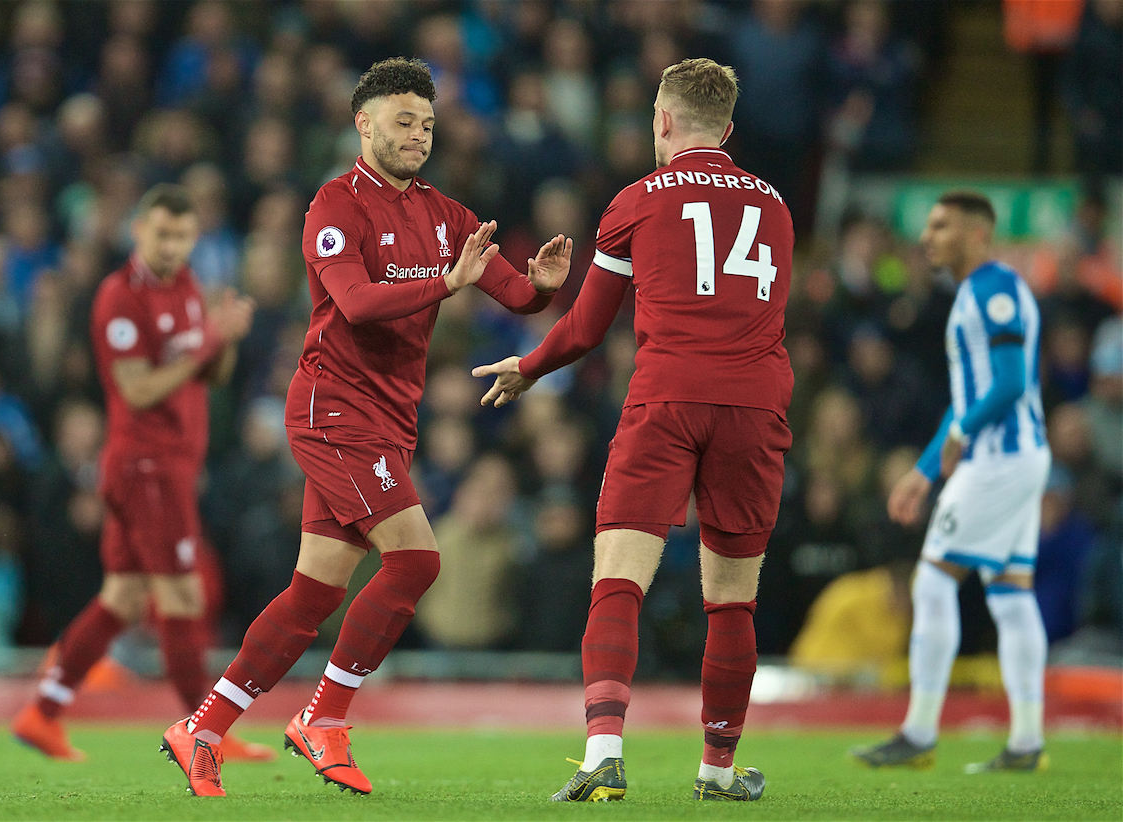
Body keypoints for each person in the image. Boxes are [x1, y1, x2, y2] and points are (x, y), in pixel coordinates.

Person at [161, 57, 571, 798]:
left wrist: (540, 289)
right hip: (333, 410)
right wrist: (444, 283)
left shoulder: (444, 213)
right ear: (364, 123)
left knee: (314, 596)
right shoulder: (334, 204)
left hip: (386, 419)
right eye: (403, 121)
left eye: (427, 124)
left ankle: (202, 727)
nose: (418, 135)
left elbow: (508, 290)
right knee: (416, 563)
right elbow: (352, 302)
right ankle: (325, 719)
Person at [474, 57, 794, 803]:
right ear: (730, 129)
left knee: (618, 579)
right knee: (732, 599)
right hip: (754, 405)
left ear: (662, 121)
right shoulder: (775, 206)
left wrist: (529, 365)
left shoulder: (638, 199)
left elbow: (586, 328)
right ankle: (717, 769)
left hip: (667, 398)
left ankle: (604, 756)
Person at [11, 184, 262, 762]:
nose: (171, 245)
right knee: (181, 592)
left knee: (123, 597)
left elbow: (213, 375)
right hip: (145, 464)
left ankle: (42, 713)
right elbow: (137, 387)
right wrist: (205, 348)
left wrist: (225, 339)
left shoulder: (191, 288)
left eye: (181, 235)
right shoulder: (118, 297)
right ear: (138, 231)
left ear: (194, 237)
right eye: (161, 233)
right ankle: (206, 729)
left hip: (165, 464)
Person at [851, 191, 1051, 773]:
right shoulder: (973, 294)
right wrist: (924, 470)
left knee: (933, 583)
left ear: (975, 232)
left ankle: (918, 733)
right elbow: (968, 400)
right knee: (1011, 596)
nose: (927, 237)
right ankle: (1026, 743)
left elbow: (1011, 381)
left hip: (1001, 459)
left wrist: (962, 433)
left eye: (940, 226)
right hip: (1011, 457)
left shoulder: (994, 290)